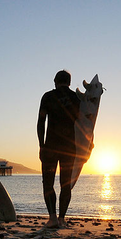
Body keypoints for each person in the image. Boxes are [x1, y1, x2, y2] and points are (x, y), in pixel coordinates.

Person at [37, 70, 80, 228]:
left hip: (51, 146)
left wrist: (41, 145)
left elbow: (41, 122)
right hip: (70, 147)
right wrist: (87, 145)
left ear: (55, 81)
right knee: (65, 184)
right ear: (69, 82)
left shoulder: (48, 97)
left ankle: (52, 218)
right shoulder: (76, 98)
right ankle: (62, 219)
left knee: (48, 183)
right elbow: (85, 124)